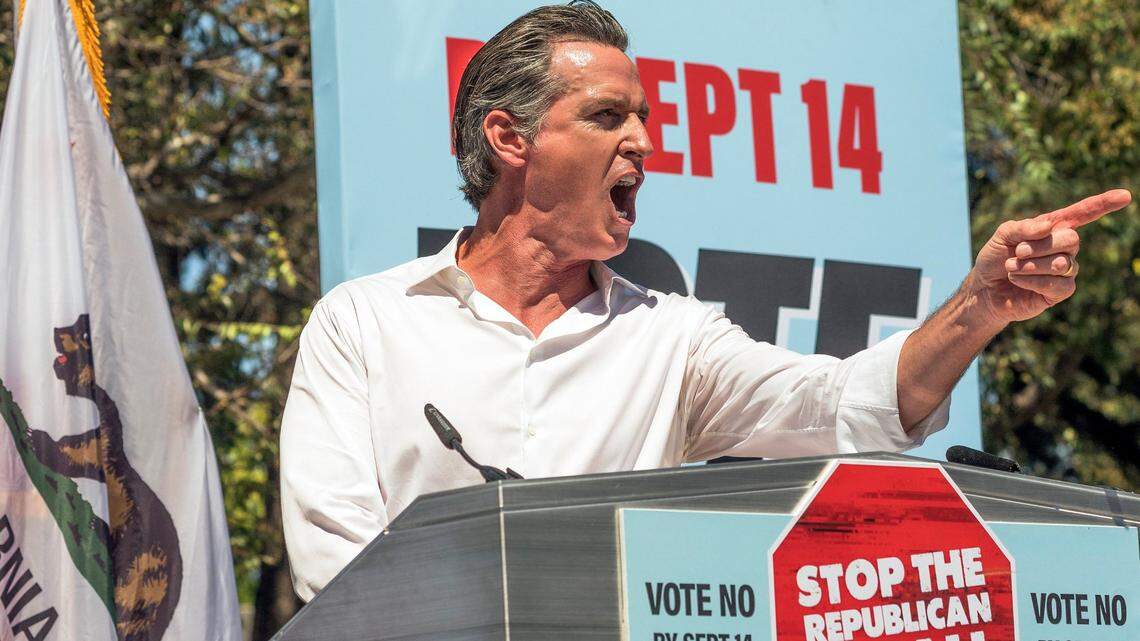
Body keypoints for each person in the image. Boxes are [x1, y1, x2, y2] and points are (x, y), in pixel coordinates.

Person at [279, 1, 1131, 601]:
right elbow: (336, 566)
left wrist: (979, 305)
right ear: (510, 139)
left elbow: (846, 409)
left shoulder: (674, 339)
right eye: (608, 115)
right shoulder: (363, 323)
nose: (644, 142)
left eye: (644, 117)